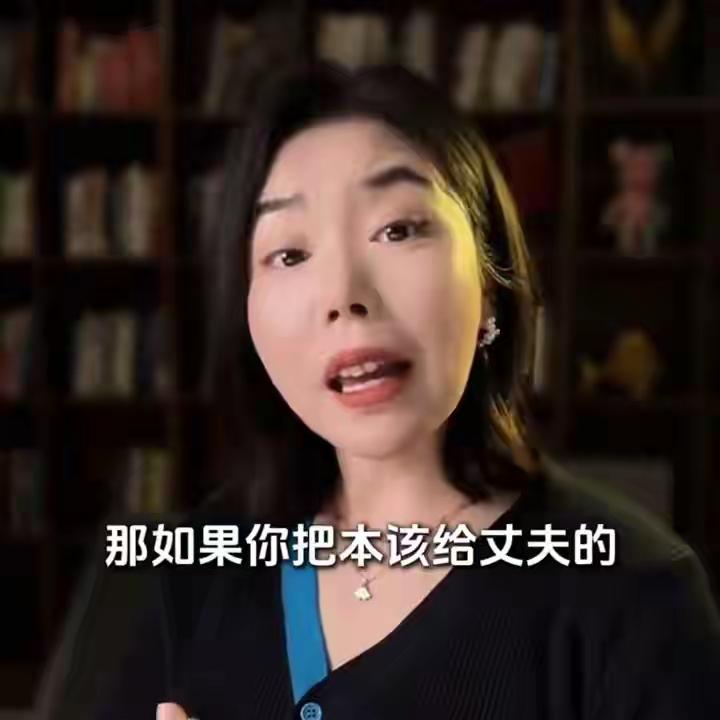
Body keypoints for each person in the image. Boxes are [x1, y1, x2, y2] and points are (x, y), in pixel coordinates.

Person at [91, 60, 720, 720]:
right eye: (290, 254)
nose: (344, 295)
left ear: (490, 285)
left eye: (398, 229)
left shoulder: (632, 596)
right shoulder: (200, 570)